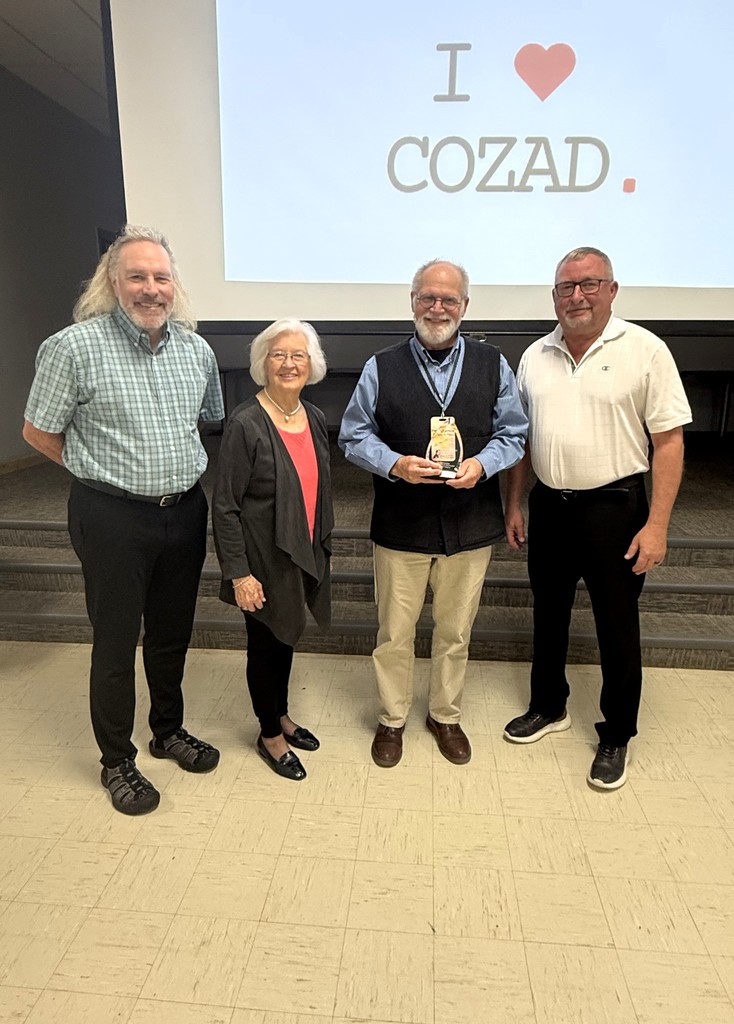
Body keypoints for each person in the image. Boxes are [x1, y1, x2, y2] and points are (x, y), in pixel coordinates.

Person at [23, 225, 224, 815]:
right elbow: (37, 431)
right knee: (115, 641)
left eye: (161, 277)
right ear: (112, 283)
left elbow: (204, 418)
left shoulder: (196, 350)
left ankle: (168, 731)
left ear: (174, 285)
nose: (151, 288)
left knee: (171, 633)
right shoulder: (72, 347)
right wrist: (95, 469)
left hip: (184, 511)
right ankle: (117, 760)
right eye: (137, 276)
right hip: (110, 515)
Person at [503, 246, 692, 790]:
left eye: (589, 284)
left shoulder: (646, 350)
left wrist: (657, 525)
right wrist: (514, 503)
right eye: (567, 287)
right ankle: (548, 706)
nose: (577, 296)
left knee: (617, 625)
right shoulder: (535, 355)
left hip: (617, 511)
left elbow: (669, 442)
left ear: (611, 290)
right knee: (549, 615)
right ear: (554, 296)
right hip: (550, 506)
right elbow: (520, 441)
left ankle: (617, 734)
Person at [339, 259, 527, 767]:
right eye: (428, 297)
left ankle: (445, 715)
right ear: (413, 302)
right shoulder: (381, 366)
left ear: (465, 306)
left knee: (455, 632)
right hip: (401, 525)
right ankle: (392, 719)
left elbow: (514, 434)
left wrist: (483, 465)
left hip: (470, 523)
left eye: (448, 299)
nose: (437, 307)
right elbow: (353, 435)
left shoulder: (494, 364)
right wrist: (394, 463)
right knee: (394, 635)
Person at [212, 318, 333, 781]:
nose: (288, 363)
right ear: (263, 363)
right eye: (278, 355)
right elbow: (225, 506)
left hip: (299, 550)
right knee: (265, 645)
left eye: (298, 355)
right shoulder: (246, 423)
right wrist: (239, 574)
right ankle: (269, 735)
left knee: (286, 637)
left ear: (311, 365)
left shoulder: (313, 417)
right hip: (261, 558)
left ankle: (281, 714)